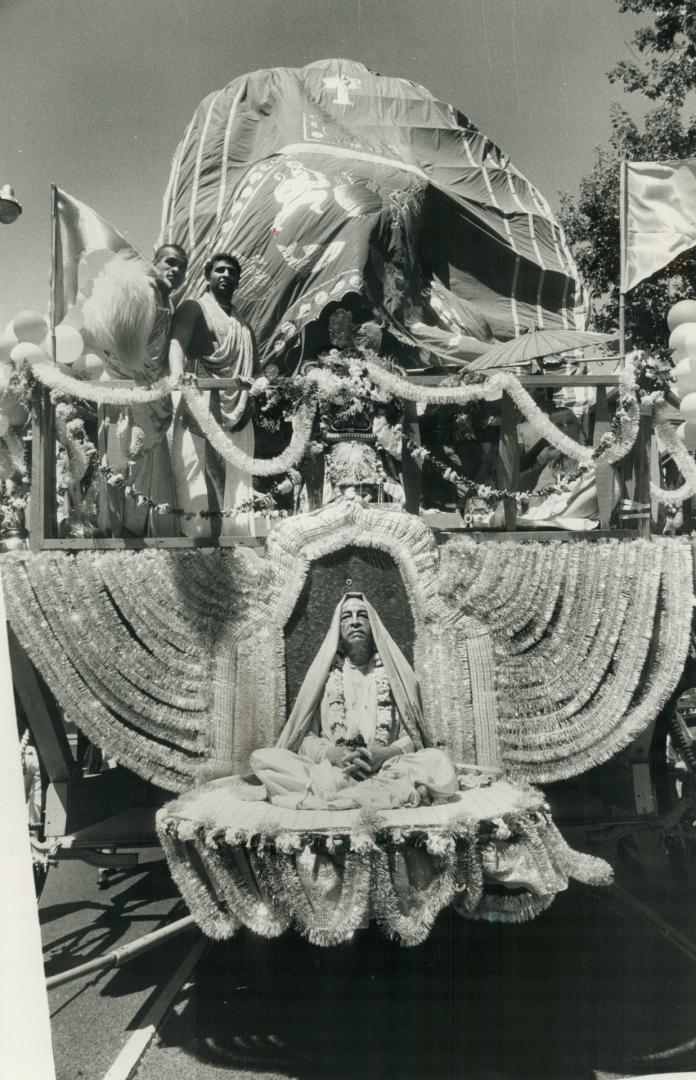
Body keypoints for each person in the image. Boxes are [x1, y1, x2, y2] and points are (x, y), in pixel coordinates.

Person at [249, 593, 458, 810]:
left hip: (386, 769)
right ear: (338, 628)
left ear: (373, 625)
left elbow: (412, 738)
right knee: (264, 758)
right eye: (347, 616)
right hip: (336, 771)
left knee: (438, 760)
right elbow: (306, 739)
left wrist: (388, 753)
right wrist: (330, 754)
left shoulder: (395, 675)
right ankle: (379, 794)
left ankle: (342, 796)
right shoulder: (324, 676)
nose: (355, 621)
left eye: (363, 615)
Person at [100, 244, 188, 537]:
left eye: (182, 266)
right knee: (122, 470)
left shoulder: (169, 301)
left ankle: (148, 539)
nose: (175, 270)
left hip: (153, 399)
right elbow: (115, 343)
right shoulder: (138, 291)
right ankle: (121, 539)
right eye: (170, 262)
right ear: (155, 262)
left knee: (151, 474)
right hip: (127, 396)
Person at [169, 252, 259, 537]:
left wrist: (261, 383)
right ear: (207, 276)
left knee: (238, 479)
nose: (226, 276)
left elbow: (256, 368)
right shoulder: (193, 308)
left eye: (232, 273)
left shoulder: (243, 324)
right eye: (220, 270)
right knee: (196, 477)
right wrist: (177, 374)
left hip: (239, 410)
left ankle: (236, 546)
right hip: (201, 406)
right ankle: (199, 545)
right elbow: (176, 346)